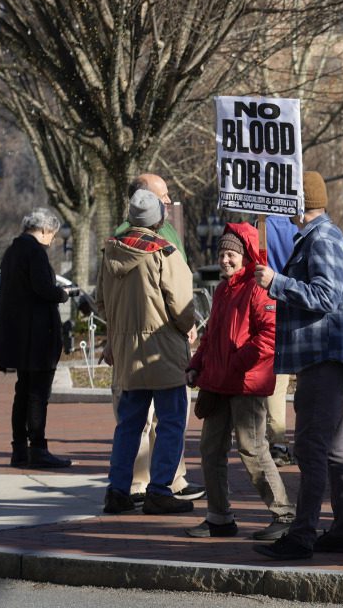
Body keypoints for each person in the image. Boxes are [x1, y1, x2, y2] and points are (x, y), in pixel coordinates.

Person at [252, 172, 343, 560]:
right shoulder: (320, 238)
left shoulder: (322, 239)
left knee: (311, 445)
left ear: (302, 203)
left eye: (289, 201)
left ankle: (302, 535)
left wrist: (276, 282)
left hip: (326, 356)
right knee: (333, 448)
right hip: (325, 357)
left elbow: (324, 296)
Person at [185, 224, 294, 542]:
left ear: (245, 255)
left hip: (245, 383)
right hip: (217, 383)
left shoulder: (259, 288)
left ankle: (284, 514)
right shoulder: (223, 290)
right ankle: (218, 517)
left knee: (253, 449)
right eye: (221, 253)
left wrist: (236, 364)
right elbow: (210, 338)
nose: (225, 259)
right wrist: (196, 365)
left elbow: (269, 336)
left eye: (231, 254)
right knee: (210, 450)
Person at [98, 189, 197, 515]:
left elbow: (101, 302)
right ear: (159, 219)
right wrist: (188, 328)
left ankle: (117, 490)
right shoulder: (164, 252)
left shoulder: (110, 252)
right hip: (163, 348)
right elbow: (182, 307)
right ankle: (159, 490)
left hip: (126, 351)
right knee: (170, 422)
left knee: (129, 424)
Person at [0, 208, 73, 469]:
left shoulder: (12, 251)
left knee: (22, 391)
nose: (52, 240)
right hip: (37, 335)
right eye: (52, 235)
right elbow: (43, 289)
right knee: (37, 394)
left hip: (18, 334)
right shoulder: (34, 252)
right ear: (44, 230)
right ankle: (38, 448)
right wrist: (63, 294)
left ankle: (19, 448)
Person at [260, 213, 298, 468]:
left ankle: (275, 441)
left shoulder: (261, 223)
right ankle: (281, 442)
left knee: (275, 378)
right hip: (298, 302)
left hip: (267, 302)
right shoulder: (300, 224)